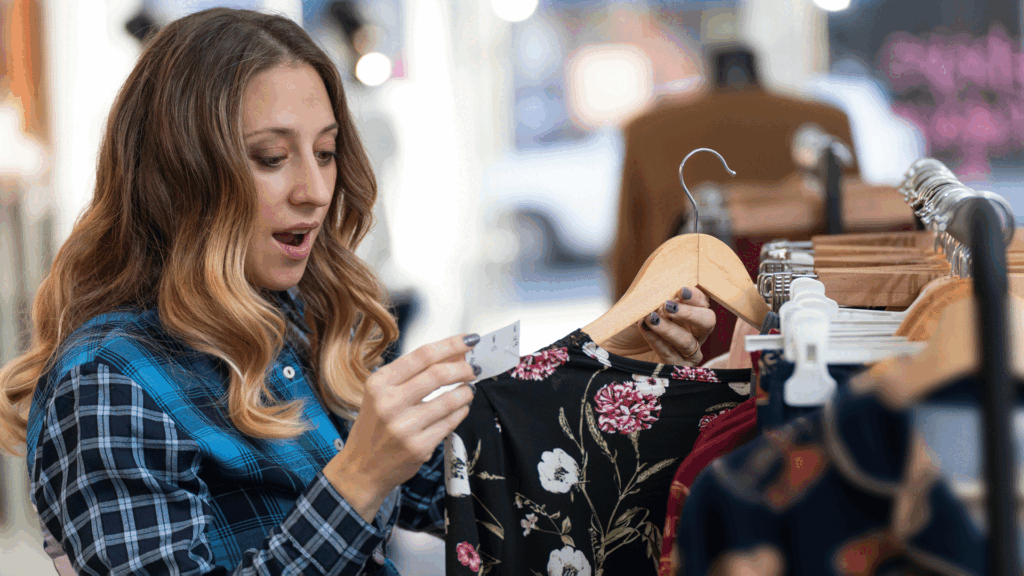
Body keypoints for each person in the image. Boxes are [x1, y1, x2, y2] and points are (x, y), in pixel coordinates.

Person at [0, 8, 718, 575]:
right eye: (272, 158)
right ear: (180, 173)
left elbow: (465, 483)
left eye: (325, 152)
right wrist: (357, 480)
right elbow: (378, 485)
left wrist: (611, 359)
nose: (314, 192)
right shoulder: (109, 385)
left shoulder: (291, 326)